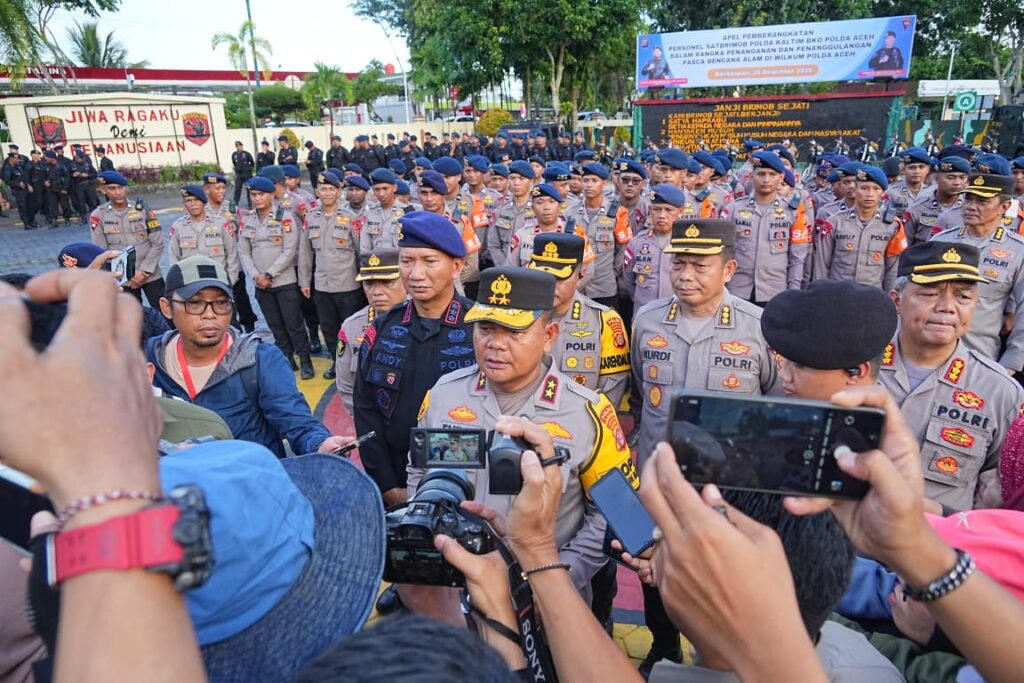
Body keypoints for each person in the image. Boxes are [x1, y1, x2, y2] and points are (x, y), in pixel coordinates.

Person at [409, 267, 634, 605]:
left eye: (514, 332)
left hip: (546, 602)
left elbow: (617, 512)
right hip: (456, 593)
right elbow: (420, 472)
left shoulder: (587, 412)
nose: (495, 344)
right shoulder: (445, 395)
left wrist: (561, 575)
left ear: (548, 335)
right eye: (485, 328)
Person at [629, 217, 777, 673]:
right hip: (661, 483)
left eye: (699, 265)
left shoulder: (758, 329)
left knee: (722, 579)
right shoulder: (648, 320)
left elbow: (772, 403)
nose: (685, 275)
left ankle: (716, 659)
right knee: (653, 571)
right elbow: (640, 395)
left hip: (728, 490)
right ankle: (663, 645)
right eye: (679, 264)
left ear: (729, 270)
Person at [148, 255, 348, 456]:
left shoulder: (259, 360)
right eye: (194, 304)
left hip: (249, 482)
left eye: (221, 303)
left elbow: (297, 422)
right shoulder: (146, 359)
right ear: (167, 307)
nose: (210, 314)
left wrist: (320, 444)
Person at [880, 241, 1024, 512]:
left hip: (941, 547)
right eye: (929, 293)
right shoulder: (856, 366)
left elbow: (1000, 488)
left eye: (963, 297)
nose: (947, 307)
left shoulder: (1000, 391)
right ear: (896, 300)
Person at [353, 211, 477, 505]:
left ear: (457, 266)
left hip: (463, 479)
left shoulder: (479, 327)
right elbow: (365, 406)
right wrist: (387, 485)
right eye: (407, 261)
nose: (415, 274)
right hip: (393, 479)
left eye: (429, 261)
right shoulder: (383, 328)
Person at [931, 172, 1024, 372]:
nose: (971, 206)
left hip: (979, 358)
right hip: (929, 351)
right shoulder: (941, 242)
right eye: (969, 198)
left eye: (982, 201)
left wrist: (1010, 364)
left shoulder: (1018, 250)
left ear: (1005, 207)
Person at [528, 232, 631, 405]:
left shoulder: (603, 321)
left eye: (559, 278)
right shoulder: (516, 317)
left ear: (579, 275)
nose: (549, 285)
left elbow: (610, 394)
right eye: (543, 277)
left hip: (581, 424)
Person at [237, 176, 315, 379]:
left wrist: (270, 273)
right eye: (253, 195)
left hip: (284, 281)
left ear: (271, 194)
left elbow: (290, 250)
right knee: (275, 325)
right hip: (261, 285)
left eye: (261, 194)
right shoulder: (247, 219)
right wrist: (256, 276)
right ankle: (287, 359)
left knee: (294, 324)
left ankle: (305, 361)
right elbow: (244, 251)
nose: (256, 198)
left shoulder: (284, 217)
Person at [298, 172, 365, 380]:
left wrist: (363, 282)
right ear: (317, 192)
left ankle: (354, 366)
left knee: (351, 329)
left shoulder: (351, 218)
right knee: (329, 329)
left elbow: (360, 251)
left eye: (331, 189)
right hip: (322, 285)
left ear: (338, 192)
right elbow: (305, 252)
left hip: (347, 285)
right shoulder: (311, 217)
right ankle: (337, 364)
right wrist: (304, 281)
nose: (327, 193)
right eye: (323, 189)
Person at [719, 151, 809, 305]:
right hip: (737, 290)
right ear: (752, 176)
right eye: (761, 174)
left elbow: (797, 258)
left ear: (781, 178)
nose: (766, 179)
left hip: (775, 292)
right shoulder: (733, 209)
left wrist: (793, 293)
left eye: (772, 174)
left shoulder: (793, 212)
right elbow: (721, 251)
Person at [336, 249, 407, 415]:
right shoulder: (351, 327)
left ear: (405, 280)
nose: (376, 292)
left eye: (387, 282)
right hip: (371, 420)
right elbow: (346, 387)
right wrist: (366, 422)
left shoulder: (425, 320)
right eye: (369, 284)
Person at [813, 165, 907, 291]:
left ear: (883, 193)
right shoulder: (834, 223)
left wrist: (889, 301)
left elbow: (892, 270)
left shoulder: (893, 226)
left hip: (872, 298)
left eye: (876, 189)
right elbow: (821, 267)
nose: (870, 194)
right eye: (864, 188)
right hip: (837, 296)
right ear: (855, 190)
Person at [89, 170, 165, 308]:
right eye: (112, 188)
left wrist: (144, 271)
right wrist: (127, 275)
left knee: (166, 314)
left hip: (150, 273)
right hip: (123, 279)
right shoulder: (99, 215)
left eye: (121, 187)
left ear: (126, 188)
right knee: (132, 319)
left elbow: (158, 243)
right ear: (103, 190)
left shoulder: (142, 209)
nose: (118, 192)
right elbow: (102, 252)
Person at [203, 171, 258, 333]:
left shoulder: (232, 209)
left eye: (223, 188)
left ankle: (250, 326)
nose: (222, 191)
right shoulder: (200, 209)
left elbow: (243, 231)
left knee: (241, 298)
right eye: (217, 188)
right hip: (213, 265)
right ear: (207, 189)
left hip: (234, 265)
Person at [572, 162, 632, 310]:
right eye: (585, 180)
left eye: (594, 181)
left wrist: (612, 273)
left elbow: (623, 251)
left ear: (604, 183)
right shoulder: (570, 213)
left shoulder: (618, 213)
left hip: (604, 287)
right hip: (575, 287)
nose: (589, 185)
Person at [623, 184, 687, 312]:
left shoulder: (688, 244)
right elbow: (629, 281)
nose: (662, 215)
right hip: (644, 313)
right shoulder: (636, 243)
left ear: (680, 212)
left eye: (669, 210)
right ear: (650, 210)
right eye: (657, 209)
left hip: (678, 314)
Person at [167, 184, 239, 286]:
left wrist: (230, 280)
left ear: (204, 202)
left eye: (196, 200)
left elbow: (232, 254)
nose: (193, 204)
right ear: (184, 204)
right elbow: (174, 258)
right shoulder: (178, 227)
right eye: (188, 201)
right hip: (191, 282)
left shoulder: (220, 224)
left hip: (219, 280)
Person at [902, 155, 968, 245]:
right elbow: (904, 245)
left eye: (962, 177)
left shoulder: (968, 209)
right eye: (951, 177)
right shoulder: (917, 208)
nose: (957, 183)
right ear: (937, 179)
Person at [488, 160, 537, 267]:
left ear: (531, 181)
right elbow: (493, 245)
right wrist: (505, 267)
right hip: (504, 267)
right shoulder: (500, 210)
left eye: (521, 178)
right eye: (512, 178)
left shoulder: (537, 209)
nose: (516, 183)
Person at [361, 168, 409, 252]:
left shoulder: (407, 212)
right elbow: (365, 247)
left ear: (394, 188)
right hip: (376, 262)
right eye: (377, 189)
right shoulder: (369, 213)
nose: (381, 194)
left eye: (385, 189)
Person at [1, 151, 35, 229]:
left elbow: (23, 176)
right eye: (17, 159)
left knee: (29, 206)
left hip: (25, 189)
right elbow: (7, 181)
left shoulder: (18, 166)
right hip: (18, 191)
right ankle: (26, 224)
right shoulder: (7, 168)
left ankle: (31, 221)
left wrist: (28, 185)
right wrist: (18, 184)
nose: (18, 160)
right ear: (11, 158)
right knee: (23, 207)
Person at [42, 150, 73, 227]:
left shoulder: (61, 165)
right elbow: (43, 176)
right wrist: (45, 182)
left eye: (47, 157)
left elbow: (67, 177)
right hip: (51, 189)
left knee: (65, 205)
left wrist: (65, 188)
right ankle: (54, 221)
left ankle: (67, 219)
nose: (46, 158)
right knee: (53, 206)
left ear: (52, 158)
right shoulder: (46, 166)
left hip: (61, 188)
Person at [231, 141, 255, 207]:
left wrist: (249, 169)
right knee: (237, 189)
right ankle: (235, 204)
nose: (239, 147)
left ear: (242, 146)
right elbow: (234, 163)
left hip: (247, 174)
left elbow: (252, 162)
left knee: (248, 189)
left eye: (240, 146)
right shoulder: (234, 155)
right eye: (237, 146)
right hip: (239, 174)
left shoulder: (246, 154)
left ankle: (250, 204)